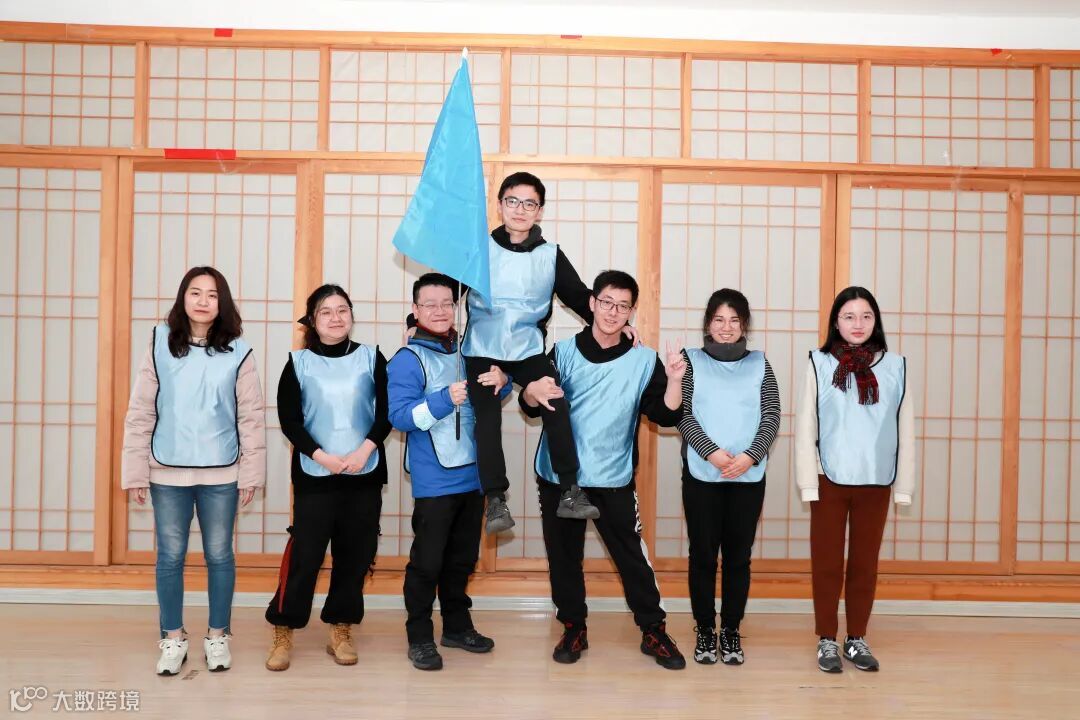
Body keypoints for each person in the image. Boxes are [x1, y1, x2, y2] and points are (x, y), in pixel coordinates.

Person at [522, 270, 687, 670]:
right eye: (607, 302)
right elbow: (533, 405)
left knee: (632, 557)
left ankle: (653, 629)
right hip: (560, 478)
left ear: (631, 312)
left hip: (613, 477)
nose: (613, 312)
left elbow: (666, 415)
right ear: (593, 303)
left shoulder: (644, 360)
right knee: (564, 558)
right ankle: (573, 626)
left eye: (623, 306)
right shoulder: (562, 352)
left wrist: (675, 381)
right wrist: (528, 391)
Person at [461, 172, 637, 533]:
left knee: (555, 400)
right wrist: (415, 322)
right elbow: (445, 291)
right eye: (513, 201)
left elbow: (579, 295)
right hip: (482, 348)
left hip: (527, 349)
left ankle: (571, 490)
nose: (520, 209)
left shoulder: (550, 255)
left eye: (530, 203)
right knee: (487, 418)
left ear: (540, 210)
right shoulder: (477, 248)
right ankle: (495, 500)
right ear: (500, 205)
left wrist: (616, 323)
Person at [121, 265, 266, 676]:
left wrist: (252, 473)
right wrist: (135, 471)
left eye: (213, 294)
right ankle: (172, 637)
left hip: (222, 472)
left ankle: (218, 635)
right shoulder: (158, 343)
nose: (203, 301)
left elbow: (251, 417)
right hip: (166, 472)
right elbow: (141, 409)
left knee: (220, 555)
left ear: (223, 303)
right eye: (195, 292)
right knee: (170, 556)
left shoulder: (239, 351)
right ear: (183, 298)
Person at [264, 284, 391, 671]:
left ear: (351, 315)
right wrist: (322, 456)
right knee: (306, 554)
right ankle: (284, 627)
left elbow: (386, 412)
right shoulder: (298, 362)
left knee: (355, 554)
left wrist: (363, 451)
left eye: (342, 310)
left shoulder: (372, 357)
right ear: (312, 320)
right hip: (315, 473)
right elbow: (290, 420)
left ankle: (341, 626)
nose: (336, 318)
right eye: (326, 311)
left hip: (363, 471)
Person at [388, 273, 511, 671]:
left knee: (462, 559)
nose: (440, 311)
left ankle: (457, 627)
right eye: (430, 304)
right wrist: (444, 398)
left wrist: (504, 380)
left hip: (474, 476)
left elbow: (492, 392)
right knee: (427, 562)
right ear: (416, 309)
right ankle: (419, 636)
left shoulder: (469, 349)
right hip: (434, 479)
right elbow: (399, 417)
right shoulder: (407, 359)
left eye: (447, 303)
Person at [794, 286, 916, 673]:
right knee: (827, 563)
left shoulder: (895, 366)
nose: (858, 324)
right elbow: (805, 424)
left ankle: (856, 638)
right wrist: (807, 481)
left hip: (876, 479)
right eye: (849, 316)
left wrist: (904, 487)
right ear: (836, 322)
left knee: (865, 564)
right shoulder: (819, 363)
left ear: (876, 321)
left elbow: (906, 429)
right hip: (828, 477)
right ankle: (827, 638)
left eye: (866, 316)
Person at [677, 288, 780, 665]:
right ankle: (705, 629)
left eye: (734, 320)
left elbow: (772, 414)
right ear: (708, 324)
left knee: (739, 557)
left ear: (744, 325)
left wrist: (751, 455)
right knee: (702, 556)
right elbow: (682, 413)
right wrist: (712, 453)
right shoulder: (689, 361)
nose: (726, 327)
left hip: (748, 476)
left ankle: (731, 630)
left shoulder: (760, 363)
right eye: (719, 319)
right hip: (702, 473)